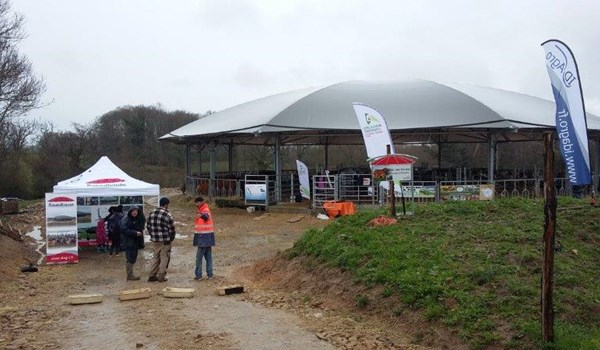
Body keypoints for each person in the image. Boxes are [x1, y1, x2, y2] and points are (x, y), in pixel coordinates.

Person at [146, 197, 175, 282]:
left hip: (155, 240)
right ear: (166, 204)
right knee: (164, 258)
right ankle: (161, 276)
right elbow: (172, 228)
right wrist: (171, 238)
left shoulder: (151, 213)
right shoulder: (167, 214)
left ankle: (152, 275)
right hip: (165, 240)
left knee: (156, 257)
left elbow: (148, 227)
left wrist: (153, 236)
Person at [193, 196, 215, 280]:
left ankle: (198, 275)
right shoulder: (202, 210)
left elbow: (206, 216)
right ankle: (210, 275)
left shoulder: (205, 210)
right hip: (208, 238)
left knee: (199, 258)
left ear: (201, 202)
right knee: (208, 257)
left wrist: (201, 215)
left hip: (203, 238)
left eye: (197, 203)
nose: (196, 205)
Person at [121, 205, 145, 281]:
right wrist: (135, 233)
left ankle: (130, 274)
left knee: (133, 258)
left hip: (134, 242)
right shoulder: (126, 219)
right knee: (130, 258)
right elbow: (124, 230)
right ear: (130, 211)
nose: (135, 212)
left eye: (136, 211)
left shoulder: (137, 219)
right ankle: (129, 275)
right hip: (128, 242)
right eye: (133, 211)